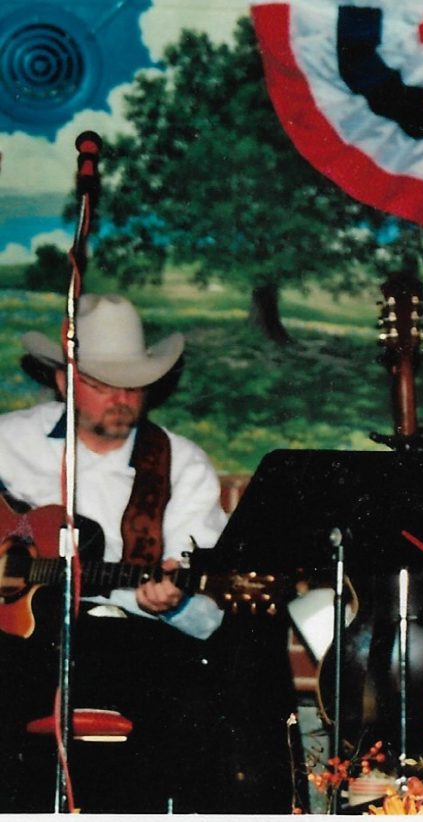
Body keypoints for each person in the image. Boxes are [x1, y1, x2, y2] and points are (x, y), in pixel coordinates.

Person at [0, 293, 228, 812]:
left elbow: (210, 613)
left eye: (133, 387)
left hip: (128, 642)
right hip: (14, 643)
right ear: (63, 382)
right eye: (102, 387)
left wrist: (173, 602)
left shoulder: (178, 462)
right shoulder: (6, 440)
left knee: (186, 700)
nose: (121, 401)